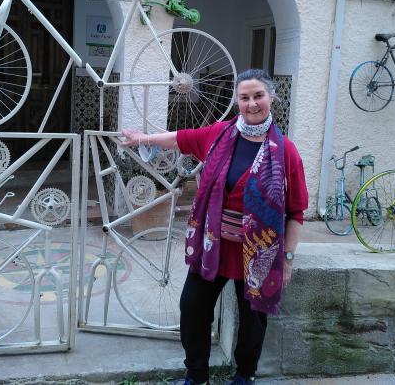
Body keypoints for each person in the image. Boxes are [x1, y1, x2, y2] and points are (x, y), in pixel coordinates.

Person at [122, 69, 308, 385]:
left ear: (271, 97)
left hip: (258, 254)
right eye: (245, 97)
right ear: (237, 100)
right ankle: (197, 376)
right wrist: (143, 138)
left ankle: (244, 375)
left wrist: (288, 260)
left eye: (258, 96)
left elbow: (296, 211)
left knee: (253, 320)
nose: (252, 104)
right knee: (192, 308)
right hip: (214, 247)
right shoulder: (220, 135)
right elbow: (181, 138)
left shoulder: (285, 151)